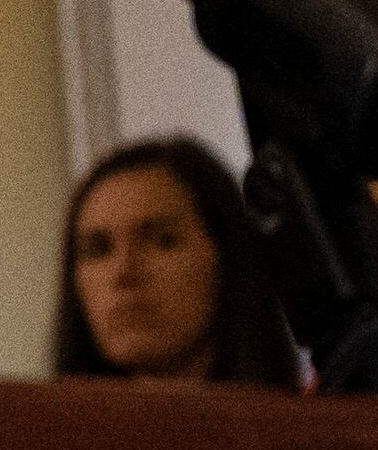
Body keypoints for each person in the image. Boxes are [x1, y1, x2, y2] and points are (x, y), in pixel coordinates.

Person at [49, 134, 303, 385]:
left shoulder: (315, 421)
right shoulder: (36, 425)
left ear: (227, 257)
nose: (123, 273)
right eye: (99, 250)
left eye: (163, 241)